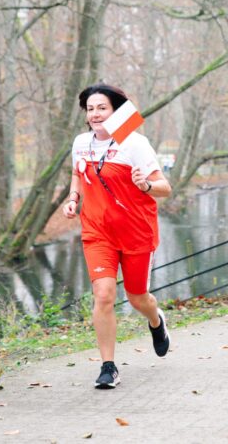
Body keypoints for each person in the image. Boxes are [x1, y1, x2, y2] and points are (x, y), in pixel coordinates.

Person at [63, 84, 172, 389]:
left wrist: (146, 185)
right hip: (97, 232)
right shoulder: (81, 143)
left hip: (136, 231)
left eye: (102, 108)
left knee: (138, 298)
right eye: (90, 109)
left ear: (116, 112)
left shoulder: (133, 143)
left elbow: (165, 187)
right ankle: (108, 366)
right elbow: (78, 172)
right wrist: (73, 198)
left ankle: (156, 320)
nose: (95, 114)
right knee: (104, 295)